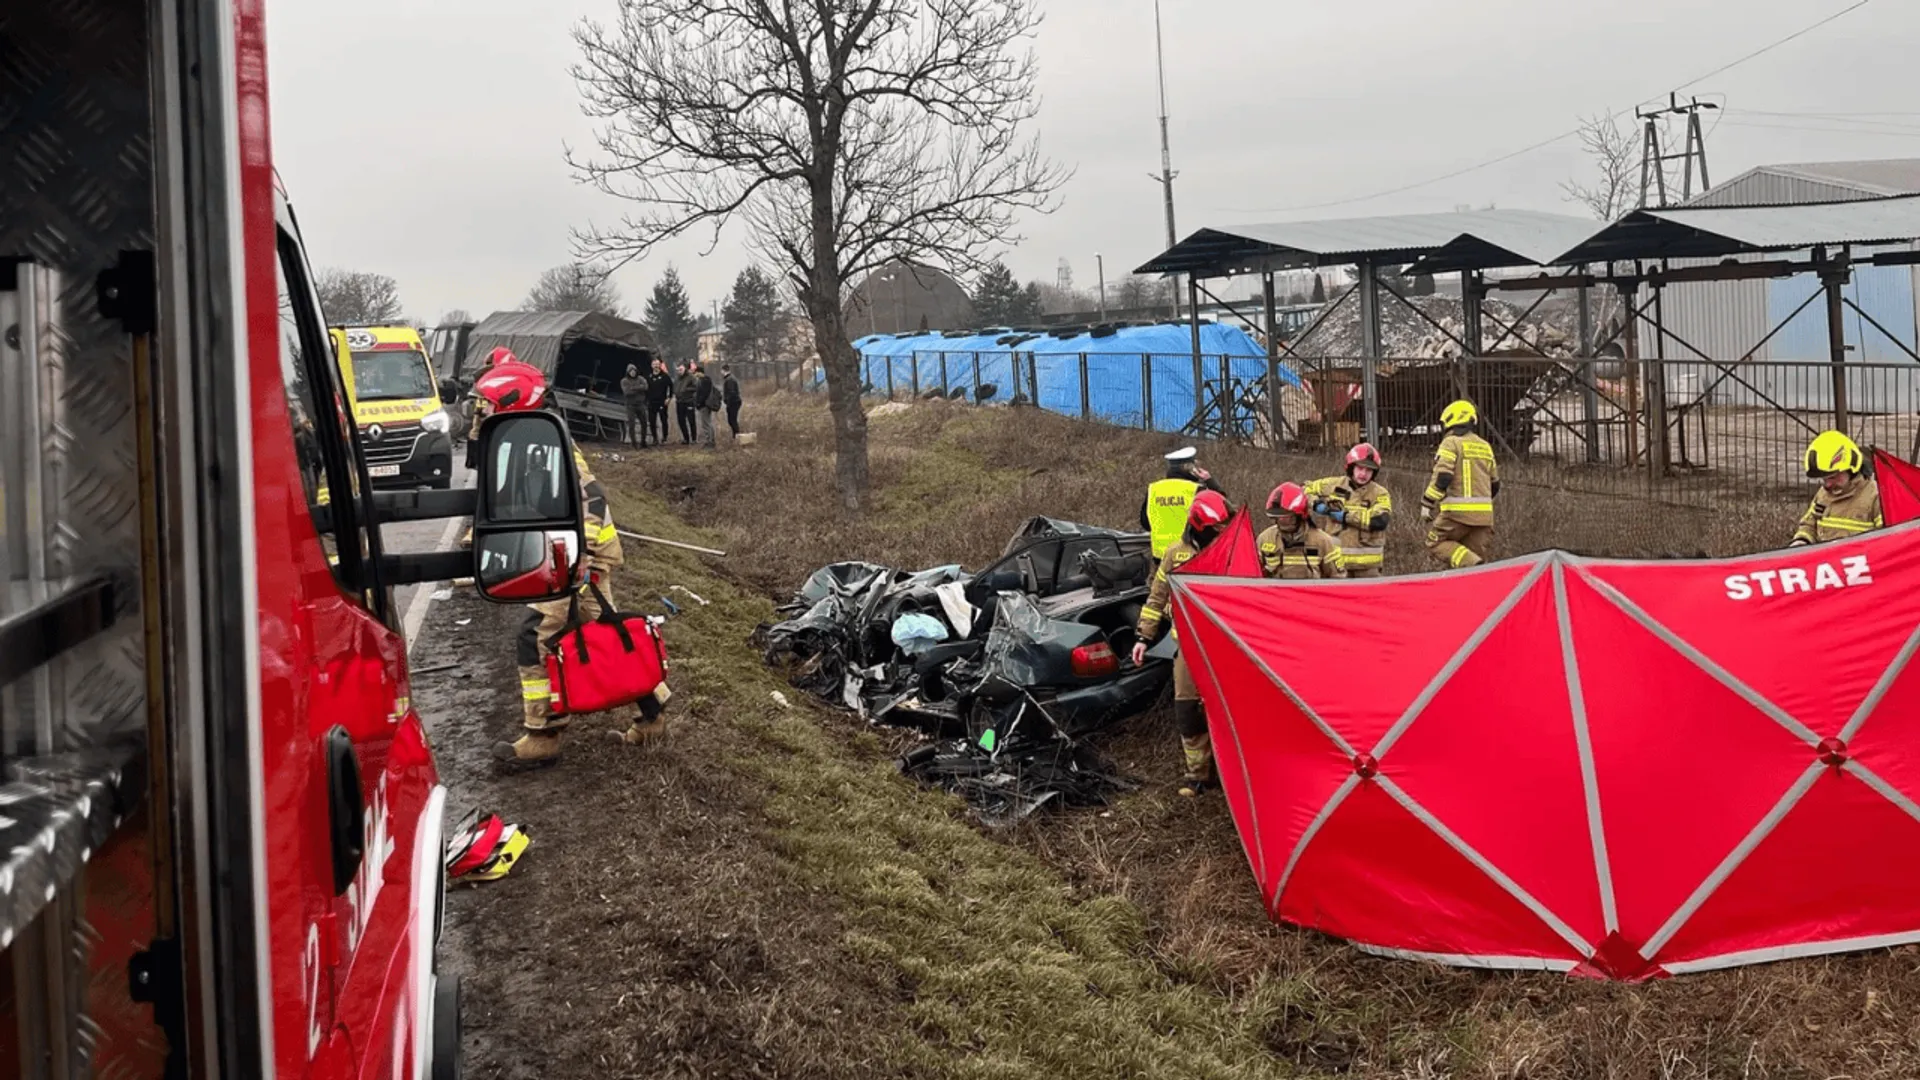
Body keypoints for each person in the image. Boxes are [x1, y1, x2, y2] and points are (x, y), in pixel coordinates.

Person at [471, 361, 673, 768]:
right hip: (569, 557)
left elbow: (593, 498)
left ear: (510, 401)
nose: (479, 414)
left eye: (484, 406)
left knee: (535, 638)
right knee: (612, 633)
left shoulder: (549, 443)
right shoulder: (529, 437)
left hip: (574, 561)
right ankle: (652, 717)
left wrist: (583, 559)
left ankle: (543, 733)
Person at [1129, 490, 1231, 798]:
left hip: (1222, 646)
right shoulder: (1176, 553)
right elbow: (1157, 597)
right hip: (1186, 646)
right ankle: (1198, 775)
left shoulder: (1229, 550)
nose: (1220, 532)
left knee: (1227, 709)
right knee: (1188, 709)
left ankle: (1230, 773)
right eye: (1215, 527)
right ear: (1198, 525)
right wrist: (1143, 638)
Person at [1422, 400, 1499, 569]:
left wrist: (1428, 503)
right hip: (1485, 518)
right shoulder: (1485, 446)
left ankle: (1472, 563)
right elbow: (1495, 484)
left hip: (1456, 515)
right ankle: (1476, 571)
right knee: (1473, 566)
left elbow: (1443, 476)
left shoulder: (1451, 443)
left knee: (1434, 543)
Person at [1304, 442, 1391, 577]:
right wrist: (1315, 503)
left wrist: (1345, 516)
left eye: (1369, 470)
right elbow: (1304, 488)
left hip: (1368, 569)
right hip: (1336, 565)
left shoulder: (1380, 493)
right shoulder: (1334, 484)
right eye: (1360, 468)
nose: (1363, 474)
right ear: (1351, 468)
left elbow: (1379, 520)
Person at [1791, 430, 1882, 546]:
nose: (1827, 485)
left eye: (1833, 477)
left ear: (1852, 469)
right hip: (1825, 560)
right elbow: (1809, 524)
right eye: (1824, 479)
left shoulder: (1875, 496)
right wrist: (1801, 541)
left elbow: (1886, 538)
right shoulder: (1823, 495)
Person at [1138, 446, 1227, 561]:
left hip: (1160, 556)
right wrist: (1210, 480)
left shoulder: (1153, 489)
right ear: (1188, 468)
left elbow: (1145, 522)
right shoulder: (1196, 490)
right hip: (1190, 556)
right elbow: (1222, 509)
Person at [1259, 483, 1346, 579]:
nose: (1282, 521)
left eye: (1287, 517)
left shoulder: (1323, 541)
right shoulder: (1265, 539)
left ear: (1300, 515)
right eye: (1278, 517)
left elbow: (1338, 581)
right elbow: (1254, 574)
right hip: (1276, 593)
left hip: (1311, 593)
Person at [619, 362, 650, 447]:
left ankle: (643, 441)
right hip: (630, 405)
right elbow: (627, 392)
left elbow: (646, 387)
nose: (633, 372)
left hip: (640, 404)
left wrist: (633, 388)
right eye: (631, 371)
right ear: (628, 372)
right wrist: (639, 388)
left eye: (634, 371)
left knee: (644, 423)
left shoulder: (641, 378)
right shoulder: (624, 381)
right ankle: (634, 443)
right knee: (631, 424)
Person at [647, 358, 674, 446]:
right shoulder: (649, 376)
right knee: (652, 421)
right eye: (654, 364)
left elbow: (671, 387)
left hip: (662, 402)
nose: (656, 366)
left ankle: (664, 438)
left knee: (663, 420)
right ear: (652, 365)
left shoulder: (665, 376)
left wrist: (669, 398)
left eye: (658, 364)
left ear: (660, 365)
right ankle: (655, 438)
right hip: (651, 402)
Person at [694, 362, 719, 449]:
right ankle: (710, 441)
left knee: (706, 424)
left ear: (700, 372)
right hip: (704, 405)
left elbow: (703, 394)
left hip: (704, 406)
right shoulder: (704, 380)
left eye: (696, 372)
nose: (695, 374)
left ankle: (710, 442)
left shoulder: (704, 381)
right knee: (707, 423)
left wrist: (698, 403)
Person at [674, 362, 699, 444]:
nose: (679, 371)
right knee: (681, 420)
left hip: (689, 401)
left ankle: (694, 439)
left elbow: (697, 386)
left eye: (681, 369)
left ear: (685, 369)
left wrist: (686, 390)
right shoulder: (677, 378)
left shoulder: (691, 377)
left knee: (691, 420)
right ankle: (686, 438)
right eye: (678, 370)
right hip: (679, 401)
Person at [722, 364, 743, 439]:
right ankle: (735, 436)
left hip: (733, 402)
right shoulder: (730, 378)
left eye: (722, 371)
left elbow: (731, 392)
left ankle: (737, 436)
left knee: (732, 420)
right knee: (731, 420)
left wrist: (728, 403)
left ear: (724, 370)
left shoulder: (730, 379)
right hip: (734, 402)